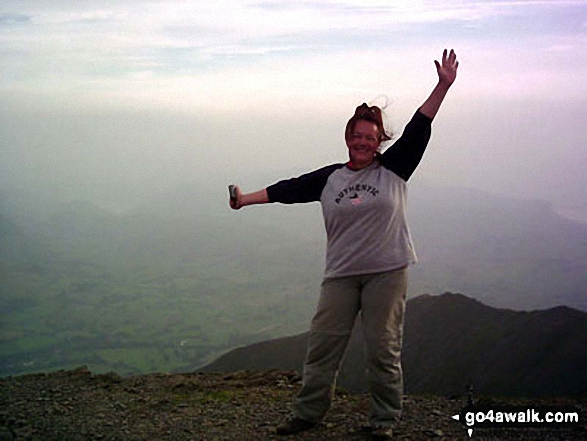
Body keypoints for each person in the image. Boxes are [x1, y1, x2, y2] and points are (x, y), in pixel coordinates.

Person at [229, 49, 458, 440]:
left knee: (382, 348)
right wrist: (244, 199)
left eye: (370, 137)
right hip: (341, 275)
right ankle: (308, 413)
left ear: (379, 141)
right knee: (322, 346)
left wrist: (442, 85)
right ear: (347, 138)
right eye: (357, 136)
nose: (362, 142)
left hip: (387, 272)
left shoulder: (394, 167)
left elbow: (420, 127)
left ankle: (384, 420)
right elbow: (289, 189)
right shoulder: (330, 177)